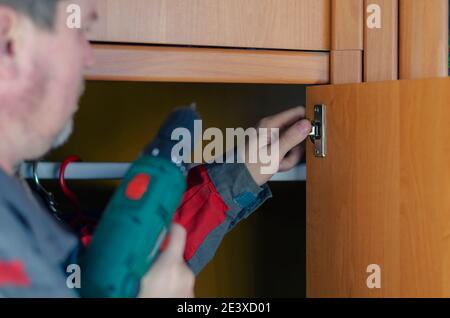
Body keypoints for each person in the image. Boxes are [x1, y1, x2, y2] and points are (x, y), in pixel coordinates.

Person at [0, 0, 312, 297]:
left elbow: (119, 267)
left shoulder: (19, 211)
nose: (89, 57)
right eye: (78, 30)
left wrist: (240, 173)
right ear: (7, 38)